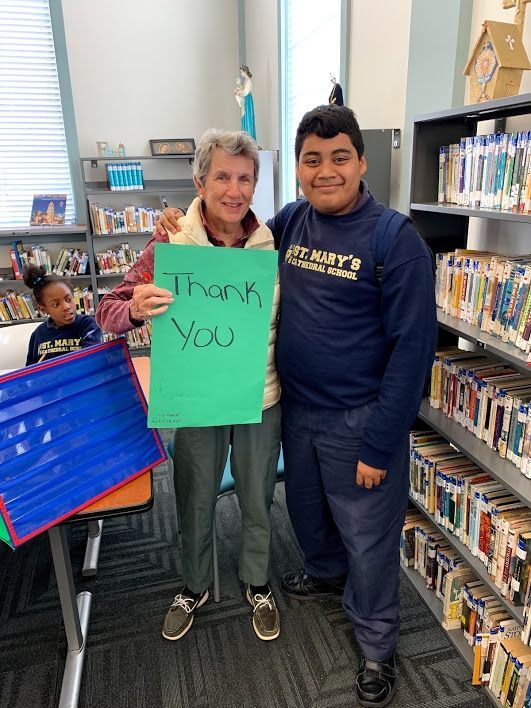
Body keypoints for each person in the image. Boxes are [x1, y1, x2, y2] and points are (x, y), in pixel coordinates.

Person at [157, 105, 437, 707]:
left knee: (369, 537)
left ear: (362, 162)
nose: (326, 171)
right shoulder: (289, 224)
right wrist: (175, 235)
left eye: (340, 158)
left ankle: (376, 646)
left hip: (359, 419)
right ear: (299, 169)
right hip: (294, 411)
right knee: (309, 519)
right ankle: (323, 574)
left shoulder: (397, 241)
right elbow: (226, 250)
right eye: (312, 159)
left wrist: (381, 441)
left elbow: (413, 353)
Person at [95, 129, 281, 643]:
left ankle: (257, 581)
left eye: (245, 178)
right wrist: (134, 308)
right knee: (194, 496)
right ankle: (194, 585)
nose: (233, 189)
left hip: (259, 395)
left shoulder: (271, 241)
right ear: (200, 181)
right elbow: (105, 310)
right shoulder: (170, 240)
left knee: (258, 495)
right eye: (222, 176)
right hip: (196, 398)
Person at [23, 264, 101, 365]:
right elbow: (30, 371)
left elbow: (91, 358)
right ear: (43, 309)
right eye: (56, 304)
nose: (66, 307)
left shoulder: (87, 324)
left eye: (69, 299)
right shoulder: (38, 334)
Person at [234, 65, 257, 141]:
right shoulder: (245, 81)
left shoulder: (248, 81)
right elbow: (243, 90)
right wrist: (238, 88)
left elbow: (245, 92)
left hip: (247, 102)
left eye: (241, 72)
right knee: (244, 119)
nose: (241, 74)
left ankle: (249, 140)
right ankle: (245, 139)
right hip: (245, 101)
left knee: (248, 119)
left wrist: (239, 92)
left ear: (245, 71)